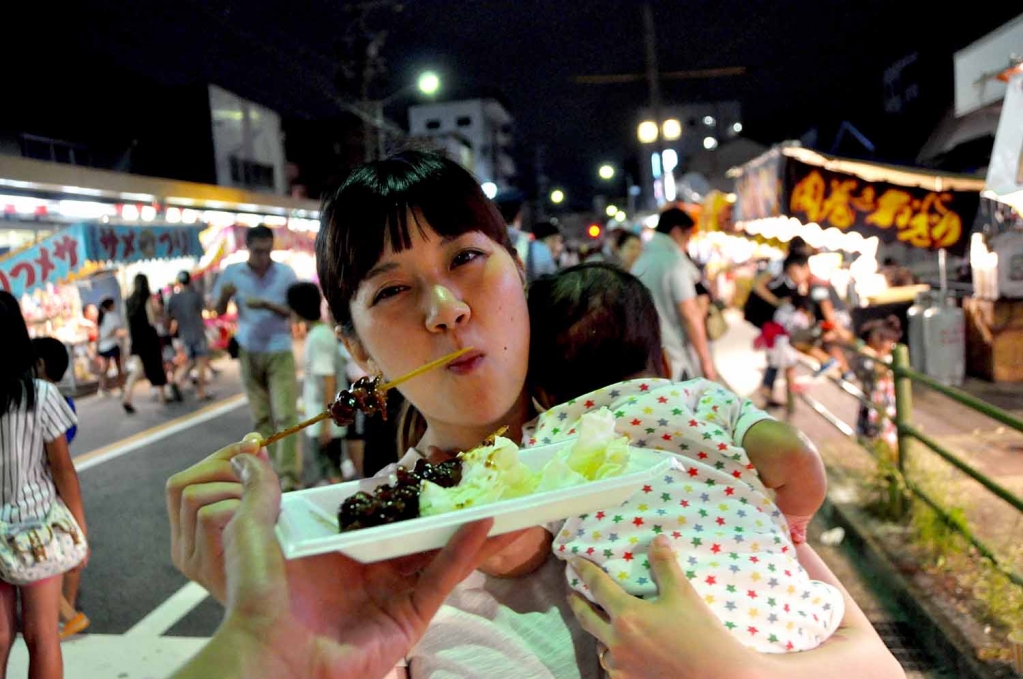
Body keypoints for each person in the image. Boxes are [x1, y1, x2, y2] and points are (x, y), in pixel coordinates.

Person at [166, 151, 904, 679]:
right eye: (392, 291)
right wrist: (267, 650)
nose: (445, 310)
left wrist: (730, 671)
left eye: (465, 260)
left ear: (518, 274)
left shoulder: (647, 440)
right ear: (356, 348)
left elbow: (869, 661)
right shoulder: (370, 549)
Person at [525, 263, 842, 656]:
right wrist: (794, 520)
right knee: (830, 600)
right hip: (784, 619)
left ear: (542, 395)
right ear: (665, 363)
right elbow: (795, 454)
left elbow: (515, 549)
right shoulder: (699, 399)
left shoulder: (548, 437)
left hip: (649, 642)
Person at [0, 292, 88, 678]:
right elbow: (63, 470)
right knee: (42, 636)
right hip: (36, 528)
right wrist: (80, 530)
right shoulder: (42, 396)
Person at [212, 225, 300, 490]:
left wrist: (267, 305)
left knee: (286, 415)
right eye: (258, 251)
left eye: (267, 250)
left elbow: (297, 312)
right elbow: (216, 309)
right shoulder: (232, 272)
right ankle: (269, 473)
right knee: (261, 417)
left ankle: (289, 477)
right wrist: (225, 297)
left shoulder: (285, 273)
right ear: (247, 248)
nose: (263, 257)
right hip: (249, 350)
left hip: (279, 349)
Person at [30, 338, 90, 640]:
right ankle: (69, 601)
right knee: (67, 546)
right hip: (58, 488)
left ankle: (66, 612)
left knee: (36, 558)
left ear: (39, 364)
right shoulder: (64, 401)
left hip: (40, 488)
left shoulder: (39, 397)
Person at [631, 207, 718, 382]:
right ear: (677, 232)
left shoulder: (641, 262)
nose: (688, 242)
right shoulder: (673, 262)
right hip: (676, 358)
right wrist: (706, 362)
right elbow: (689, 315)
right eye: (688, 236)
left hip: (650, 358)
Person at [286, 282, 357, 484]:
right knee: (330, 469)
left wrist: (326, 422)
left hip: (323, 421)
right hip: (322, 418)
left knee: (330, 471)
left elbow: (328, 379)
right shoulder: (320, 334)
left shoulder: (319, 338)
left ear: (296, 309)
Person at [123, 274, 171, 413]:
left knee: (137, 370)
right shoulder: (147, 298)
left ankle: (127, 397)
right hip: (149, 338)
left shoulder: (128, 301)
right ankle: (162, 395)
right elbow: (152, 319)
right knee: (157, 366)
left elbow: (127, 324)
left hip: (136, 340)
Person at [854, 316, 902, 450]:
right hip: (877, 401)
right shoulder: (868, 357)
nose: (891, 345)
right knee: (878, 433)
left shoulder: (884, 356)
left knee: (888, 433)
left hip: (886, 401)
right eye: (888, 341)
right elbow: (876, 371)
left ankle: (891, 461)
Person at [168, 271, 212, 402]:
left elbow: (169, 316)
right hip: (198, 332)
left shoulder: (173, 298)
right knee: (200, 362)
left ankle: (176, 380)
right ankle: (201, 392)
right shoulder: (195, 295)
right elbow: (205, 310)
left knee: (189, 361)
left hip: (184, 334)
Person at [95, 297, 124, 395]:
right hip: (112, 345)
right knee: (118, 367)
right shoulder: (112, 316)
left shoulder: (101, 317)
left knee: (105, 367)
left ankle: (102, 388)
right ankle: (120, 387)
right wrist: (106, 337)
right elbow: (113, 330)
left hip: (104, 346)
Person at [525, 218, 563, 283]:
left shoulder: (529, 249)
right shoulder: (543, 254)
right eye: (559, 241)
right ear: (550, 241)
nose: (561, 247)